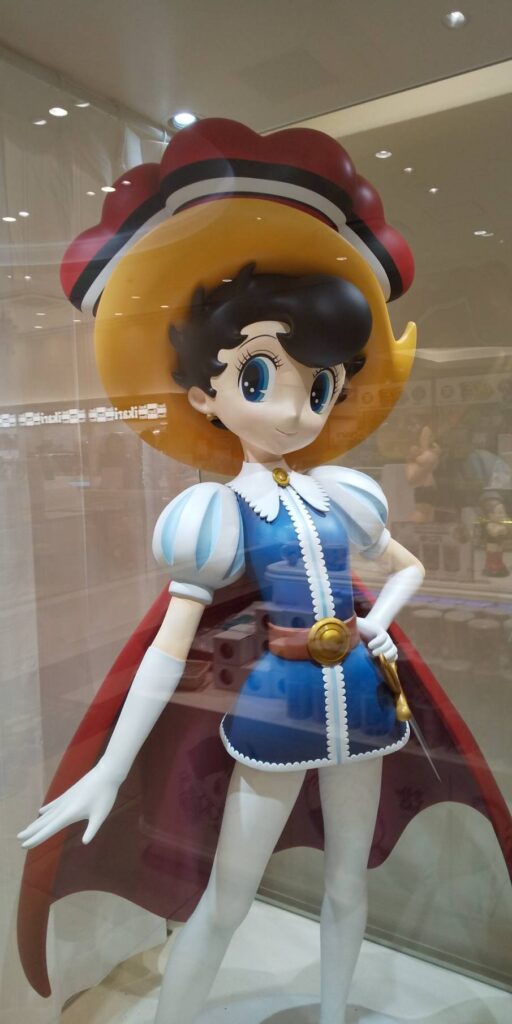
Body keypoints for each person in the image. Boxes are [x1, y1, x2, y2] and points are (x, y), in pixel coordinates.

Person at [17, 118, 511, 1023]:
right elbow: (169, 649)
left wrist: (376, 621)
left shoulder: (343, 495)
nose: (294, 409)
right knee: (228, 898)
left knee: (350, 887)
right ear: (203, 393)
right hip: (275, 710)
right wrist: (108, 767)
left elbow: (405, 567)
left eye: (317, 387)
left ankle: (332, 1015)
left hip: (363, 704)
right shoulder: (212, 513)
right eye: (259, 378)